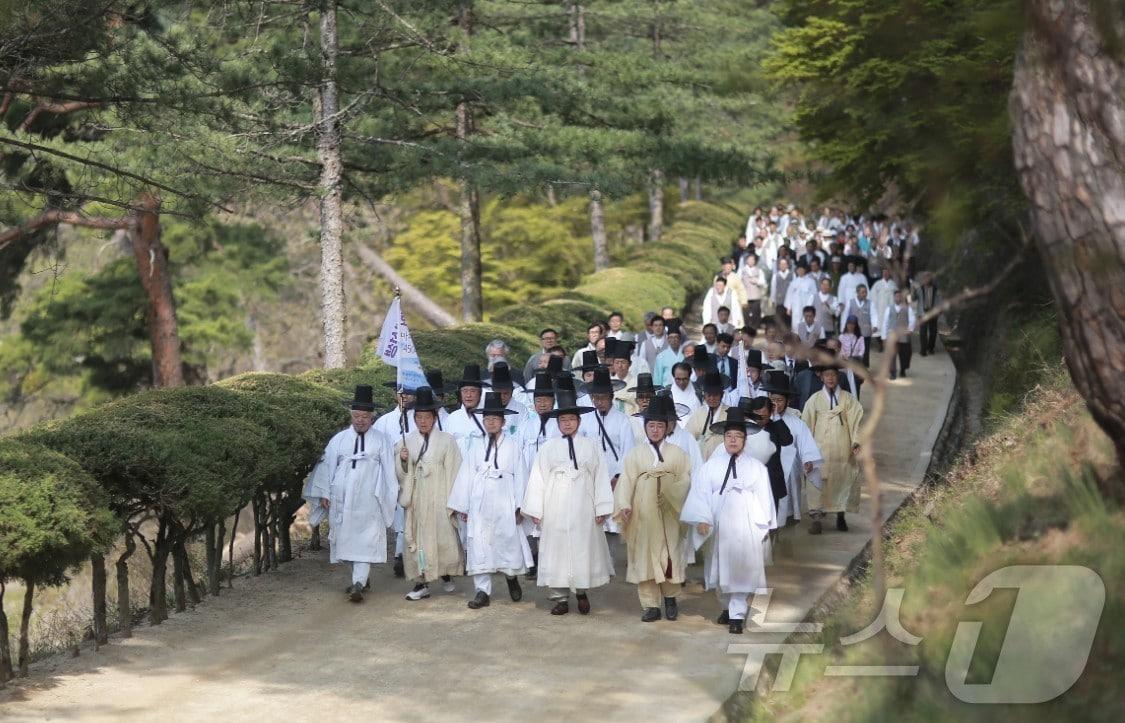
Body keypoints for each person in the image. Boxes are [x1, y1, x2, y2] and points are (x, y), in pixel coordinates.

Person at [680, 408, 777, 634]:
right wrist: (702, 518)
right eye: (729, 436)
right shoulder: (711, 466)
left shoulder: (757, 468)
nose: (733, 440)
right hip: (718, 524)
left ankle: (737, 615)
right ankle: (726, 607)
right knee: (719, 568)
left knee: (740, 569)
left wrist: (763, 525)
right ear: (723, 439)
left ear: (745, 439)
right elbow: (700, 493)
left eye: (738, 436)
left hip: (745, 525)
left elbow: (764, 497)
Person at [521, 389, 615, 616]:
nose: (567, 424)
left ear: (579, 421)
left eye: (572, 419)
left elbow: (600, 476)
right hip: (555, 504)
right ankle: (560, 597)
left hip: (583, 504)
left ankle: (581, 591)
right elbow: (538, 478)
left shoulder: (591, 446)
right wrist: (536, 508)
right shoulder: (547, 448)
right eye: (563, 420)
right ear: (558, 423)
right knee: (556, 550)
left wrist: (601, 507)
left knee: (582, 548)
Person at [304, 385, 399, 602]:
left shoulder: (381, 440)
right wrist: (325, 493)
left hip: (370, 498)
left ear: (371, 417)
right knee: (346, 540)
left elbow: (388, 471)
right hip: (343, 497)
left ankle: (358, 582)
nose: (360, 420)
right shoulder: (339, 440)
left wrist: (389, 496)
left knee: (365, 540)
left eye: (365, 416)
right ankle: (361, 579)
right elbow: (327, 466)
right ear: (351, 415)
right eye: (356, 415)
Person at [449, 391, 532, 609]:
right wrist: (463, 505)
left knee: (506, 541)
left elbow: (521, 475)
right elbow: (466, 474)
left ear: (503, 422)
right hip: (480, 501)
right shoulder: (475, 446)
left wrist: (520, 506)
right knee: (480, 543)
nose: (490, 422)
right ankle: (482, 590)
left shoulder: (513, 446)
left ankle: (511, 577)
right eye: (487, 419)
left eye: (495, 419)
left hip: (505, 499)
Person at [614, 396, 692, 623]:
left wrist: (672, 494)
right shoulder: (635, 454)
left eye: (660, 425)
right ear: (645, 426)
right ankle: (650, 605)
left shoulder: (678, 454)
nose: (655, 430)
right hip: (643, 513)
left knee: (669, 555)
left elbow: (686, 480)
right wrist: (625, 505)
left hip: (668, 513)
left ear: (667, 427)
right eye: (651, 425)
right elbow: (626, 481)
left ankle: (670, 598)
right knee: (643, 555)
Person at [396, 387, 464, 600]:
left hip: (440, 496)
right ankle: (421, 582)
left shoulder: (447, 440)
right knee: (418, 539)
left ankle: (444, 573)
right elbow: (401, 473)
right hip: (417, 498)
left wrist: (453, 501)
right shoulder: (406, 441)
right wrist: (404, 460)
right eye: (418, 417)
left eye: (427, 417)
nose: (422, 421)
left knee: (443, 538)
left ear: (434, 418)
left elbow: (455, 470)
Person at [801, 358, 863, 535]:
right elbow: (806, 425)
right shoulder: (814, 400)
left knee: (841, 481)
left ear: (838, 377)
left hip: (842, 450)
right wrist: (807, 451)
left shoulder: (849, 400)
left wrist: (856, 441)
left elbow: (856, 421)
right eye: (827, 375)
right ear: (821, 377)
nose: (830, 378)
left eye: (834, 375)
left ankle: (840, 514)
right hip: (818, 451)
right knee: (816, 483)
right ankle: (816, 519)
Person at [762, 371, 822, 525]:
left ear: (787, 401)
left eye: (780, 400)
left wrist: (808, 460)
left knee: (786, 508)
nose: (775, 404)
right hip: (765, 471)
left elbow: (806, 444)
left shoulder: (797, 422)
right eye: (772, 399)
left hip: (789, 473)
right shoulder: (760, 420)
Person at [582, 367, 635, 534]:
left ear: (611, 397)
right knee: (592, 523)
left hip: (614, 477)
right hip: (591, 477)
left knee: (613, 522)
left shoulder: (623, 421)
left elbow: (628, 452)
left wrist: (618, 477)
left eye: (603, 397)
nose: (599, 402)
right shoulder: (586, 420)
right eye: (595, 398)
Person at [445, 364, 491, 453]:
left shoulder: (489, 417)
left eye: (473, 391)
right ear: (460, 393)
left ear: (480, 393)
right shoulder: (452, 418)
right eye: (465, 391)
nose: (468, 395)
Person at [685, 371, 729, 459]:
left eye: (715, 395)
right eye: (709, 395)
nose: (712, 398)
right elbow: (687, 437)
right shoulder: (698, 413)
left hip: (723, 460)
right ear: (704, 395)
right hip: (701, 461)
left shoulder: (729, 413)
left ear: (722, 395)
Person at [881, 289, 917, 380]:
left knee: (905, 354)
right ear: (894, 298)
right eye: (896, 296)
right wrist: (884, 336)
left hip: (904, 335)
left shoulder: (908, 308)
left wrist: (910, 329)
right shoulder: (889, 308)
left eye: (899, 296)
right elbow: (885, 322)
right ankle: (893, 372)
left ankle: (903, 370)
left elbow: (912, 319)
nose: (898, 298)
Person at [841, 285, 873, 367]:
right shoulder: (850, 302)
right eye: (863, 292)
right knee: (853, 348)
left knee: (865, 350)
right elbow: (845, 315)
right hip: (853, 331)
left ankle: (865, 367)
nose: (865, 294)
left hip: (866, 330)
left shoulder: (870, 303)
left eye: (866, 292)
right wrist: (843, 329)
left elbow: (874, 315)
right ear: (857, 292)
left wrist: (875, 325)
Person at [914, 271, 941, 356]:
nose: (926, 279)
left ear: (931, 279)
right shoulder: (919, 289)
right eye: (925, 278)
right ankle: (923, 350)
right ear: (923, 279)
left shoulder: (936, 288)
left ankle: (931, 348)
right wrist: (913, 292)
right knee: (923, 332)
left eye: (928, 278)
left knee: (933, 332)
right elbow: (913, 298)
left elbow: (940, 299)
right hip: (922, 313)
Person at [870, 267, 897, 352]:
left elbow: (897, 296)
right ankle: (881, 345)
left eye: (887, 272)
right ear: (882, 274)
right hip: (879, 309)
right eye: (884, 272)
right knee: (879, 328)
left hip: (890, 309)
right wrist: (874, 307)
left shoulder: (893, 284)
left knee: (889, 328)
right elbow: (872, 296)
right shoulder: (877, 284)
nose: (885, 274)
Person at [784, 263, 817, 332]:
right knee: (795, 325)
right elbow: (789, 295)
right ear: (796, 271)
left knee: (807, 324)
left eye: (802, 269)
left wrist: (811, 307)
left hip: (807, 306)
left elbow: (814, 295)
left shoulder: (811, 281)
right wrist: (788, 308)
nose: (800, 271)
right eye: (798, 270)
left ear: (805, 270)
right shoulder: (793, 282)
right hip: (795, 307)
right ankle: (796, 340)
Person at [651, 323, 684, 388]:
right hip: (666, 390)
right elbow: (657, 378)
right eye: (671, 337)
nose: (673, 340)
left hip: (683, 388)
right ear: (668, 339)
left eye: (676, 337)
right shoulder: (661, 356)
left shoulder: (685, 354)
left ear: (680, 339)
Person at [741, 253, 767, 330]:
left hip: (756, 296)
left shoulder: (759, 270)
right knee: (746, 314)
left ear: (755, 261)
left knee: (756, 313)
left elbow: (763, 282)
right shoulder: (742, 270)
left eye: (752, 259)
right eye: (749, 259)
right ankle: (747, 328)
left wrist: (756, 281)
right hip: (745, 296)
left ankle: (756, 328)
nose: (750, 261)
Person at [770, 257, 794, 330]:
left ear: (787, 265)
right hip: (780, 301)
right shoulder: (775, 276)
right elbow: (773, 288)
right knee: (779, 321)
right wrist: (773, 300)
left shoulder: (792, 275)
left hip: (790, 303)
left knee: (789, 322)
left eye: (784, 264)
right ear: (779, 265)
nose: (783, 265)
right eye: (781, 264)